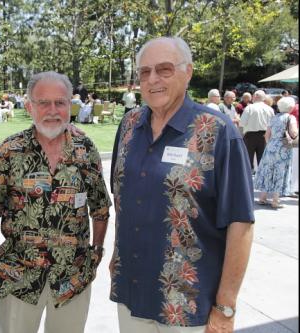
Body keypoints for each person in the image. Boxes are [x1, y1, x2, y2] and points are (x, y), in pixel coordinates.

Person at [110, 36, 254, 333]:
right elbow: (123, 197)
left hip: (188, 306)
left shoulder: (218, 132)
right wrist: (115, 254)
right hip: (132, 293)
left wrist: (225, 307)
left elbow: (241, 224)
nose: (152, 80)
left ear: (187, 72)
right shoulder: (129, 126)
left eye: (164, 69)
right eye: (144, 72)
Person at [0, 71, 111, 333]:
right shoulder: (9, 151)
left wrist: (96, 253)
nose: (53, 110)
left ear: (69, 105)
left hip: (72, 279)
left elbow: (100, 208)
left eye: (60, 102)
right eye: (43, 103)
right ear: (29, 106)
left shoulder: (85, 150)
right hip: (18, 277)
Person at [254, 96, 298, 208]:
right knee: (280, 171)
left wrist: (271, 144)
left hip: (271, 146)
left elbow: (267, 135)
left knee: (268, 169)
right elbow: (293, 133)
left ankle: (262, 197)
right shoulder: (291, 117)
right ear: (291, 107)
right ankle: (275, 200)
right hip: (283, 147)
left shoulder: (274, 117)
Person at [240, 90, 275, 172]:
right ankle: (262, 177)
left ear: (254, 96)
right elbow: (273, 124)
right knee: (262, 159)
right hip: (265, 136)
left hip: (250, 135)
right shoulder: (269, 109)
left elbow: (242, 123)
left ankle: (249, 177)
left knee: (248, 158)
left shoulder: (249, 107)